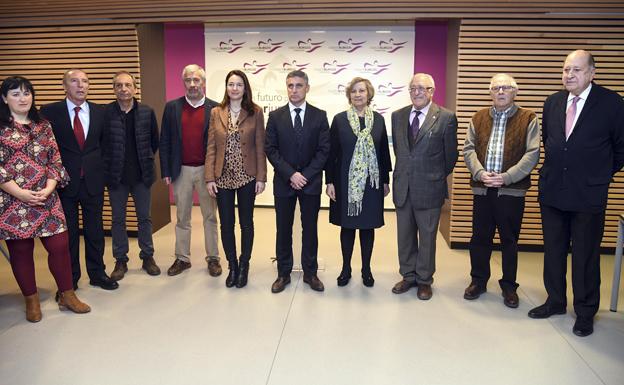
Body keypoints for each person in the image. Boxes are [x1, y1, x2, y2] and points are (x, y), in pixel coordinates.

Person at [529, 50, 624, 337]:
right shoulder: (553, 101)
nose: (569, 75)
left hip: (589, 193)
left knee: (585, 254)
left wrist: (600, 175)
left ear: (592, 73)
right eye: (566, 69)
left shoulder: (612, 103)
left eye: (577, 70)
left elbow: (620, 148)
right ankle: (556, 301)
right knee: (554, 251)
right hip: (553, 189)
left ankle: (585, 312)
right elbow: (550, 140)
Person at [0, 76, 90, 322]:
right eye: (16, 93)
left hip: (46, 197)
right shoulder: (1, 127)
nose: (22, 98)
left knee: (60, 247)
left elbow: (55, 161)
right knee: (21, 252)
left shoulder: (43, 126)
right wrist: (20, 193)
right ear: (4, 98)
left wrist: (49, 187)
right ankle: (31, 300)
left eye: (27, 93)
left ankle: (68, 294)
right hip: (13, 202)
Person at [462, 73, 540, 308]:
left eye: (506, 88)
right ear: (490, 92)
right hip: (483, 189)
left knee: (509, 240)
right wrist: (479, 173)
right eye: (496, 88)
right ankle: (478, 281)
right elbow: (468, 149)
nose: (501, 92)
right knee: (479, 238)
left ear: (515, 92)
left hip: (511, 192)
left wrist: (506, 178)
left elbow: (532, 153)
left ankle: (508, 285)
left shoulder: (528, 118)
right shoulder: (478, 117)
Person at [41, 69, 118, 291]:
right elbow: (46, 149)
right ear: (64, 85)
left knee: (95, 231)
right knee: (69, 235)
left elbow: (107, 146)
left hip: (93, 181)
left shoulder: (100, 111)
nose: (80, 85)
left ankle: (97, 273)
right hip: (64, 184)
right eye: (74, 81)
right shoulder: (49, 112)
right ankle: (70, 280)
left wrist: (102, 173)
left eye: (85, 81)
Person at [390, 73, 458, 299]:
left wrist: (433, 176)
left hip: (430, 187)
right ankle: (408, 276)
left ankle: (424, 280)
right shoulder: (397, 116)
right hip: (403, 187)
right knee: (405, 236)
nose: (417, 92)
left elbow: (450, 157)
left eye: (422, 88)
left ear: (432, 91)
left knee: (428, 238)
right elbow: (401, 151)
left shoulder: (446, 117)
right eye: (413, 88)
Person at [265, 70, 330, 293]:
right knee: (283, 229)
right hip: (284, 183)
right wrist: (291, 174)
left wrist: (305, 176)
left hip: (310, 184)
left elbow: (324, 151)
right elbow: (271, 150)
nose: (294, 90)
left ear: (307, 88)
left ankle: (310, 273)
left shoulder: (320, 116)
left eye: (299, 85)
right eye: (290, 85)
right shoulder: (275, 117)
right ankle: (283, 273)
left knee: (310, 228)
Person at [325, 77, 391, 287]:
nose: (358, 94)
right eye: (353, 91)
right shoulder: (339, 120)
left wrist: (385, 181)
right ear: (349, 95)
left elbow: (383, 154)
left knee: (367, 227)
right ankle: (346, 268)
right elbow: (331, 154)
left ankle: (366, 269)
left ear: (368, 94)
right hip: (345, 183)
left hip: (372, 183)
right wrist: (330, 182)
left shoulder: (379, 120)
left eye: (361, 91)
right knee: (348, 226)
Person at [205, 70, 267, 288]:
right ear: (226, 87)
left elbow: (260, 146)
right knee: (226, 224)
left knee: (246, 223)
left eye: (239, 84)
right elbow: (211, 146)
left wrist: (261, 177)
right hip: (222, 177)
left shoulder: (255, 112)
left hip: (246, 176)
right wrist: (209, 177)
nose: (234, 88)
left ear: (245, 88)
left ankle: (244, 265)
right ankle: (232, 266)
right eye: (231, 84)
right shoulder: (216, 112)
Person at [159, 64, 222, 277]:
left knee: (210, 217)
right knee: (182, 217)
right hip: (181, 171)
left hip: (207, 172)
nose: (193, 84)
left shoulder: (215, 108)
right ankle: (182, 258)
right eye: (189, 80)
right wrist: (166, 169)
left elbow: (219, 143)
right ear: (184, 82)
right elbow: (165, 139)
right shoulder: (172, 107)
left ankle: (213, 258)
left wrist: (216, 172)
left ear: (203, 82)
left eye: (197, 80)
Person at [104, 71, 161, 281]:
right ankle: (121, 260)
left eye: (128, 85)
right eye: (119, 85)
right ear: (114, 89)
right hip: (116, 177)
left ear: (135, 88)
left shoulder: (146, 111)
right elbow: (102, 144)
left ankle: (148, 257)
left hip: (141, 176)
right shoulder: (106, 113)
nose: (123, 89)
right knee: (118, 220)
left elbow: (155, 141)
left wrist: (145, 158)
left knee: (144, 219)